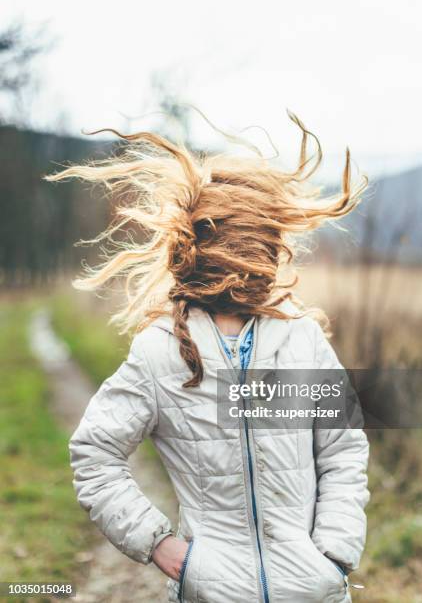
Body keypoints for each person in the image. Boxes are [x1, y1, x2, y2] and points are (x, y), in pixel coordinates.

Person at [46, 112, 370, 602]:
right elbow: (95, 453)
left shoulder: (301, 339)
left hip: (314, 592)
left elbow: (342, 449)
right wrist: (161, 546)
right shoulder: (161, 352)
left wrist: (333, 553)